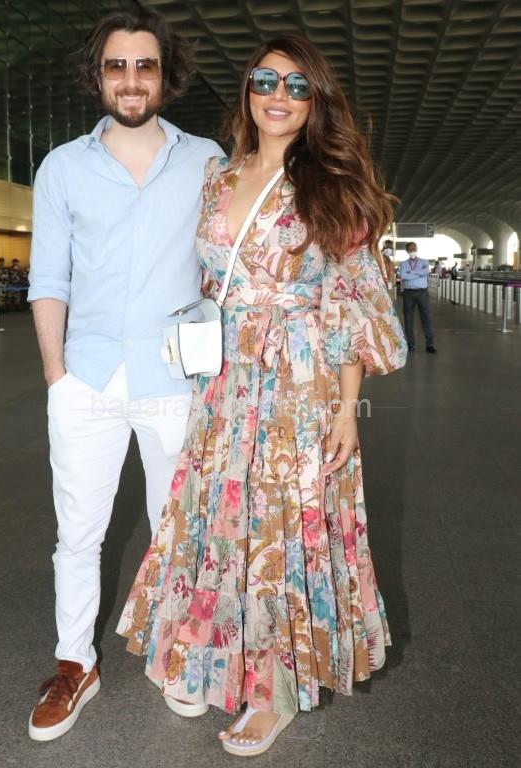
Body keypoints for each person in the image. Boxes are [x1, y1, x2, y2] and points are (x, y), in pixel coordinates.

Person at [117, 33, 407, 757]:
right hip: (224, 379)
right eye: (265, 81)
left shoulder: (331, 184)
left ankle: (272, 689)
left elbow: (351, 304)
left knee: (282, 526)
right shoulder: (220, 178)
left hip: (298, 380)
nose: (279, 96)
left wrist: (347, 411)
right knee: (218, 515)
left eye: (297, 85)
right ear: (247, 90)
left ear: (316, 102)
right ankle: (210, 655)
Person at [26, 9, 223, 742]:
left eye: (145, 65)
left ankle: (178, 656)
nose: (131, 80)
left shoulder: (208, 161)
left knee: (179, 529)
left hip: (177, 380)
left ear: (167, 75)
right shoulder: (63, 167)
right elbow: (49, 279)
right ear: (98, 75)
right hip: (87, 377)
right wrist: (57, 377)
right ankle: (74, 663)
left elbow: (224, 270)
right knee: (78, 534)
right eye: (117, 65)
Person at [399, 242, 436, 353]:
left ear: (417, 248)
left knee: (426, 318)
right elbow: (403, 276)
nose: (412, 251)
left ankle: (430, 345)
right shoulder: (403, 263)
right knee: (408, 319)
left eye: (414, 248)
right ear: (407, 251)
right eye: (410, 249)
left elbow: (426, 272)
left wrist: (411, 272)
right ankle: (411, 345)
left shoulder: (424, 262)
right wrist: (418, 274)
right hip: (408, 293)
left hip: (422, 292)